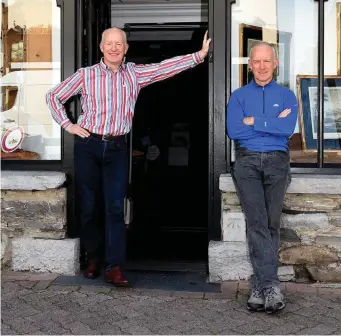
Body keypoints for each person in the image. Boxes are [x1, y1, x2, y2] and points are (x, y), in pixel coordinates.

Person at [46, 27, 211, 287]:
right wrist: (69, 125)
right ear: (101, 47)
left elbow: (164, 68)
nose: (113, 48)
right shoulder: (86, 75)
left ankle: (114, 266)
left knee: (114, 207)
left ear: (125, 48)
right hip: (88, 145)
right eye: (109, 43)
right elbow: (53, 96)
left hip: (117, 148)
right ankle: (93, 257)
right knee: (89, 206)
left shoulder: (134, 74)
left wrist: (199, 55)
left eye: (118, 44)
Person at [226, 42, 297, 314]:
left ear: (275, 64)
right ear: (250, 64)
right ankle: (271, 286)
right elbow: (234, 131)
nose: (262, 66)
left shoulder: (288, 95)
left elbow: (287, 129)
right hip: (247, 162)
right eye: (257, 61)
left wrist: (253, 121)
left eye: (267, 61)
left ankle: (258, 286)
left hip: (278, 161)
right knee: (257, 223)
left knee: (272, 223)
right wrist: (270, 123)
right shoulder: (239, 96)